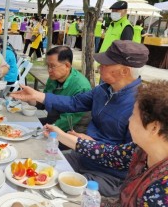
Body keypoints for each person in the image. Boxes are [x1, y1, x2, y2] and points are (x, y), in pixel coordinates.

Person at [10, 40, 149, 197]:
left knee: (51, 192)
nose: (99, 67)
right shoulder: (103, 90)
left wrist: (89, 144)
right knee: (34, 171)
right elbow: (74, 102)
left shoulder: (142, 106)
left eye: (105, 64)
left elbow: (130, 157)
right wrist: (37, 95)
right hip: (82, 156)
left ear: (124, 71)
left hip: (108, 175)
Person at [44, 80, 168, 206]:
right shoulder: (142, 149)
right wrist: (60, 135)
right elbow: (107, 153)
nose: (129, 120)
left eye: (133, 115)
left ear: (154, 127)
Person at [36, 46, 91, 134]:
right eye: (48, 66)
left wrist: (49, 129)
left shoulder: (81, 87)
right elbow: (46, 99)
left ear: (67, 66)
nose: (49, 70)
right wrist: (34, 101)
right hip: (54, 120)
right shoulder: (54, 77)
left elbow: (69, 119)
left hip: (72, 130)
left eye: (53, 66)